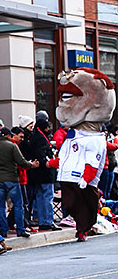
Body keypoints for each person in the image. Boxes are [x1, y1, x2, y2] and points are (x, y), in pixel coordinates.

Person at [48, 68, 115, 241]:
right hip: (68, 176)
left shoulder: (95, 139)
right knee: (69, 203)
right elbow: (67, 153)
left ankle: (82, 230)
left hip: (84, 180)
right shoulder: (72, 135)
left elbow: (93, 159)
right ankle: (81, 227)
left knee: (87, 206)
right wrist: (55, 163)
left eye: (69, 98)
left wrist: (87, 176)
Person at [0, 127, 39, 238]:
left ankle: (4, 231)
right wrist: (31, 165)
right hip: (12, 178)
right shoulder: (12, 146)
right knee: (18, 205)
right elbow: (21, 161)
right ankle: (20, 230)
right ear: (8, 135)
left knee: (1, 207)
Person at [25, 111, 60, 231]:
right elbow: (41, 154)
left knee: (40, 197)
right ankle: (47, 220)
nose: (49, 129)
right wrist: (48, 162)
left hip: (39, 174)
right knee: (47, 197)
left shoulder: (35, 137)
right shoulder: (41, 139)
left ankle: (42, 219)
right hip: (45, 173)